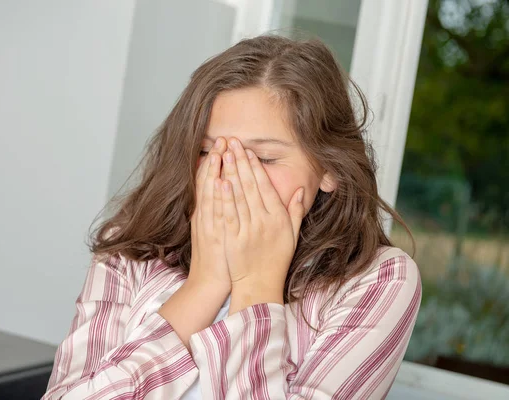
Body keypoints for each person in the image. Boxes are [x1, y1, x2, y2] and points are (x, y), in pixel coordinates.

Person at [42, 35, 421, 400]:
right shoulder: (129, 248)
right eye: (208, 152)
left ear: (329, 168)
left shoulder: (379, 280)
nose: (230, 174)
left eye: (265, 159)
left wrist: (255, 284)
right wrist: (206, 284)